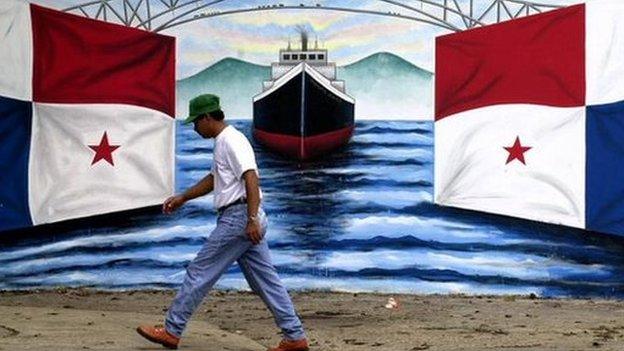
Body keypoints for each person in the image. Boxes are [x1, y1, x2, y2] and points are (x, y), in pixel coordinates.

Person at [136, 94, 309, 351]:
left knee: (199, 271)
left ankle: (171, 331)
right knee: (265, 280)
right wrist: (184, 197)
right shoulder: (222, 142)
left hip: (240, 217)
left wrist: (250, 219)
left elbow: (251, 177)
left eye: (196, 122)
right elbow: (215, 179)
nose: (194, 128)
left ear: (208, 117)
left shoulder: (232, 140)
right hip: (245, 217)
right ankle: (295, 337)